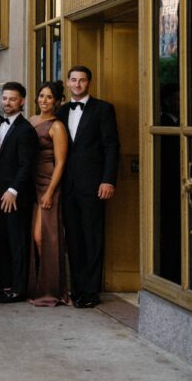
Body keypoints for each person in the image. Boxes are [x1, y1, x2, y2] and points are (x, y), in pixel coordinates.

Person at [56, 65, 120, 308]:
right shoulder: (61, 112)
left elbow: (111, 147)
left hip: (94, 185)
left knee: (92, 237)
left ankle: (92, 292)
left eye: (82, 80)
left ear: (88, 83)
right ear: (69, 83)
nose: (77, 84)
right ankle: (78, 288)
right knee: (73, 239)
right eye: (73, 80)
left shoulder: (103, 109)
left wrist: (108, 179)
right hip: (67, 186)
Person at [0, 82, 38, 303]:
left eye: (12, 99)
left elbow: (26, 165)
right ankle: (5, 284)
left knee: (17, 241)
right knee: (1, 239)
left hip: (15, 196)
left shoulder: (26, 129)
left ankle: (18, 289)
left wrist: (14, 190)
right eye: (5, 98)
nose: (7, 103)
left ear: (22, 102)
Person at [28, 81, 69, 306]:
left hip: (48, 184)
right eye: (41, 96)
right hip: (31, 184)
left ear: (57, 101)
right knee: (33, 236)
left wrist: (50, 192)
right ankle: (36, 286)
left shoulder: (57, 127)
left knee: (43, 236)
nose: (44, 100)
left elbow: (61, 162)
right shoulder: (32, 121)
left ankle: (51, 289)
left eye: (49, 97)